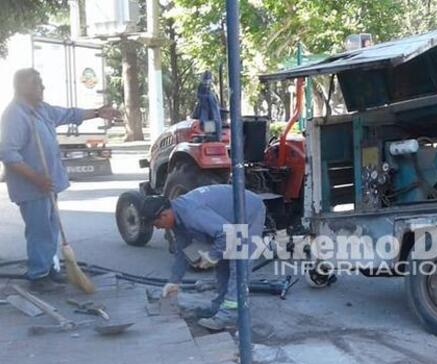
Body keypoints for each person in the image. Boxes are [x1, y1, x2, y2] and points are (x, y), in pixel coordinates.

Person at [0, 68, 118, 292]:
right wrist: (35, 178)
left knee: (50, 227)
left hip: (47, 184)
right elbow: (8, 153)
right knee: (39, 229)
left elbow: (69, 114)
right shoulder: (15, 114)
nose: (42, 87)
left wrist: (98, 113)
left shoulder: (41, 110)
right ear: (23, 86)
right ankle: (38, 275)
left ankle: (48, 267)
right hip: (31, 186)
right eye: (37, 83)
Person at [139, 185, 266, 331]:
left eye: (156, 224)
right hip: (230, 218)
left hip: (249, 212)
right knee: (223, 263)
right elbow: (182, 250)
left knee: (238, 264)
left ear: (165, 215)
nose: (157, 228)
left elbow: (227, 233)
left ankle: (230, 315)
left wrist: (212, 256)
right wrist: (174, 281)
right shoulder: (177, 217)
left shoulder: (190, 213)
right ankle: (219, 306)